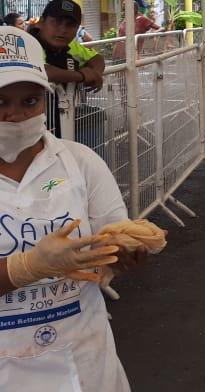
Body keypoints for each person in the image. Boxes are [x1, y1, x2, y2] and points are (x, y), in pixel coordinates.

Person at [0, 26, 155, 392]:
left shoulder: (80, 162)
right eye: (0, 102)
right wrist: (27, 267)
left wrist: (123, 255)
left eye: (29, 101)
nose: (16, 116)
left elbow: (115, 241)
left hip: (85, 362)